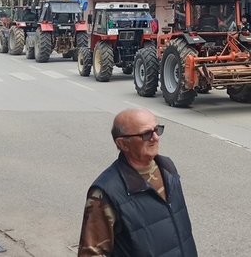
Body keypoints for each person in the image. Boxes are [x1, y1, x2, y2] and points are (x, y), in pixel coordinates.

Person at [78, 108, 197, 257]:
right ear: (123, 144)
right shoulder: (105, 192)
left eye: (157, 130)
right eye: (146, 134)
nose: (155, 138)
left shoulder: (167, 168)